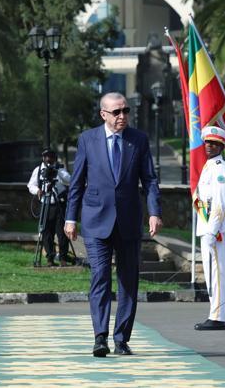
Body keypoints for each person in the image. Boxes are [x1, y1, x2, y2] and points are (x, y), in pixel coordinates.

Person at [65, 92, 163, 358]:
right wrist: (70, 217)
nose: (122, 116)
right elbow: (77, 182)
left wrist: (154, 212)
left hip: (129, 221)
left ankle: (121, 338)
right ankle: (100, 337)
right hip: (96, 220)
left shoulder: (138, 140)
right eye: (116, 112)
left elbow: (150, 180)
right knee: (99, 276)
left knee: (128, 280)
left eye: (125, 111)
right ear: (103, 114)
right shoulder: (88, 139)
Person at [194, 126, 225, 330]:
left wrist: (212, 229)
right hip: (207, 225)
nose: (209, 146)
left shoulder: (219, 167)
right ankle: (214, 312)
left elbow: (219, 202)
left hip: (215, 228)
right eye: (207, 142)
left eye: (214, 143)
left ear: (221, 146)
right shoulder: (209, 166)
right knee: (211, 273)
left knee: (217, 273)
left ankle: (218, 316)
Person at [27, 149, 72, 267]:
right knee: (46, 232)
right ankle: (50, 258)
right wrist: (37, 191)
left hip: (59, 204)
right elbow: (31, 185)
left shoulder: (60, 168)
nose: (49, 159)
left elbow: (69, 180)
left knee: (62, 232)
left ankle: (63, 258)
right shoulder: (38, 170)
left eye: (51, 157)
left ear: (55, 158)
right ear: (43, 157)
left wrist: (58, 171)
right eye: (47, 157)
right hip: (46, 203)